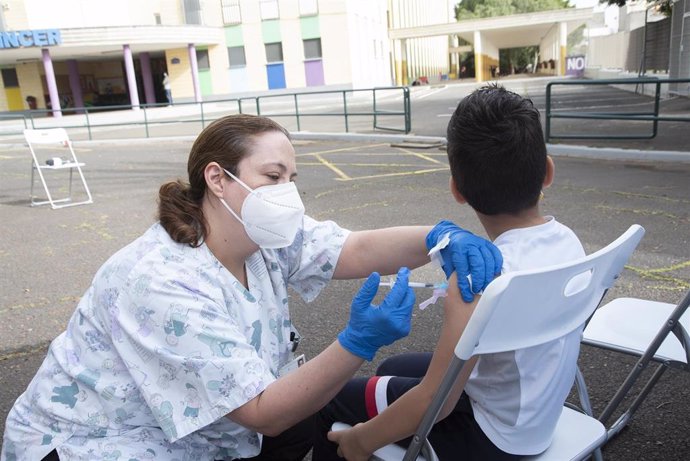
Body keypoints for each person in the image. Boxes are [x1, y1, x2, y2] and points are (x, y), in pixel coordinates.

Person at [1, 114, 501, 461]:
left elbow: (355, 247)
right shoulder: (159, 280)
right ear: (217, 179)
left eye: (292, 177)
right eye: (272, 175)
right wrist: (357, 343)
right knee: (299, 412)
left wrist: (438, 238)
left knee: (317, 407)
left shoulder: (261, 235)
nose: (287, 192)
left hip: (207, 431)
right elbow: (264, 413)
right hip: (98, 443)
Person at [316, 84, 587, 461]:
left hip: (490, 438)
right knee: (394, 366)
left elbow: (436, 402)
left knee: (330, 404)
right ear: (547, 172)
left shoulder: (477, 280)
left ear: (456, 190)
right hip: (536, 411)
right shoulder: (569, 242)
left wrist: (360, 441)